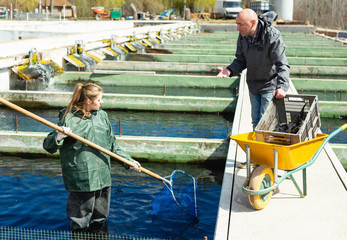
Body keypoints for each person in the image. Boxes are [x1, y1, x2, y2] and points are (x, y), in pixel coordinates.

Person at [43, 83, 141, 236]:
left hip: (103, 176)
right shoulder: (68, 118)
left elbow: (112, 144)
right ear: (88, 101)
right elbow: (48, 147)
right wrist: (59, 136)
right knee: (79, 222)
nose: (102, 102)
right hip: (82, 179)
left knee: (100, 220)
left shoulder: (102, 116)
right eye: (99, 100)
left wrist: (129, 162)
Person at [217, 9, 290, 169]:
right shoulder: (243, 36)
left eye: (240, 24)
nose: (237, 28)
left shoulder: (272, 35)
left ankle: (267, 160)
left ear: (253, 23)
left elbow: (282, 64)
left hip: (270, 85)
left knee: (265, 123)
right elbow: (240, 60)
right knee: (256, 122)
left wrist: (282, 86)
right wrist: (229, 70)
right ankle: (258, 157)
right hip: (253, 85)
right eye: (236, 24)